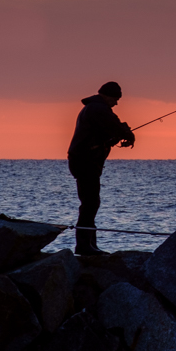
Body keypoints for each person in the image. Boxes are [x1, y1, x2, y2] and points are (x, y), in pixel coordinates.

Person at [67, 81, 136, 255]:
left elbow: (105, 134)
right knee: (90, 203)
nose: (117, 102)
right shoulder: (98, 109)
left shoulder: (94, 109)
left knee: (91, 203)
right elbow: (114, 126)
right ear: (106, 95)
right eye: (115, 98)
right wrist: (128, 134)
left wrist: (118, 136)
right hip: (85, 162)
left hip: (84, 161)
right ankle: (84, 246)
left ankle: (90, 244)